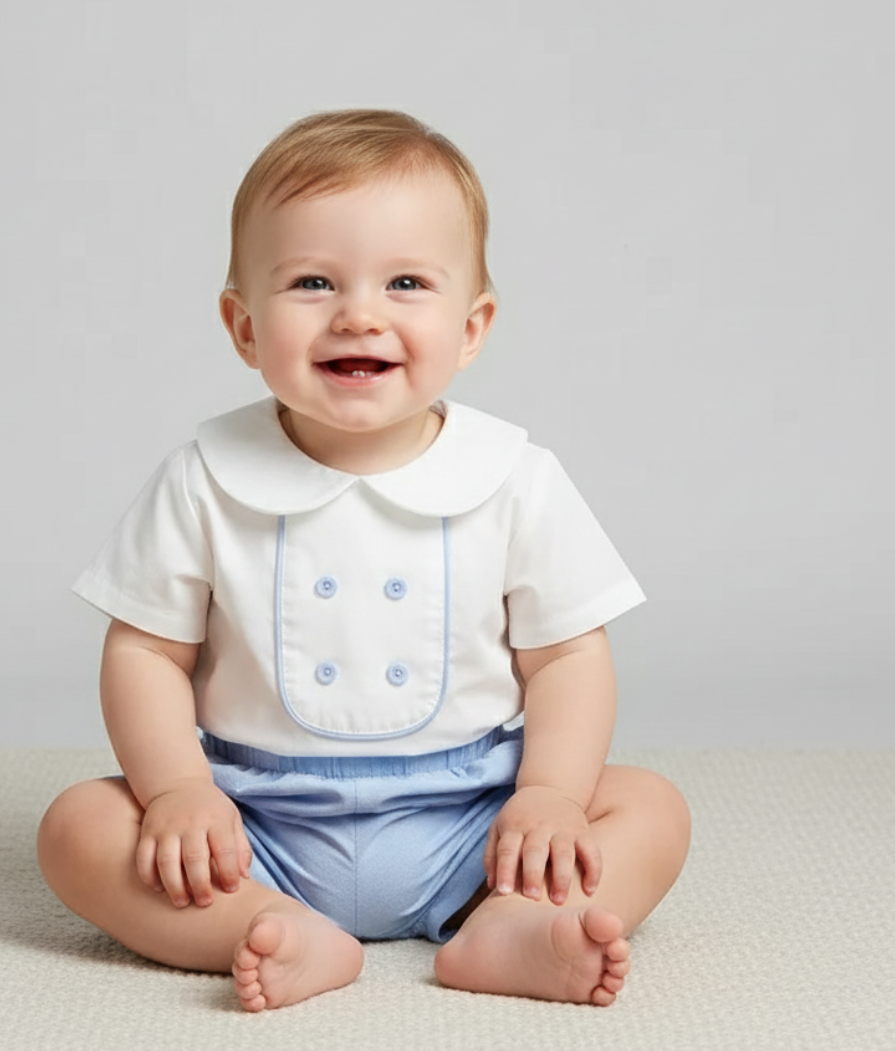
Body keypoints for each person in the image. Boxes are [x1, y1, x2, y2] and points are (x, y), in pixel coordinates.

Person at [37, 108, 691, 1011]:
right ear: (243, 326)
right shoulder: (202, 478)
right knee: (79, 827)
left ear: (471, 327)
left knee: (649, 808)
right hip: (253, 824)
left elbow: (568, 655)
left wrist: (547, 795)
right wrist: (182, 791)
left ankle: (505, 924)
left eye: (407, 283)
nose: (359, 314)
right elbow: (147, 650)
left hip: (474, 817)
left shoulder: (514, 479)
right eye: (312, 281)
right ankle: (263, 927)